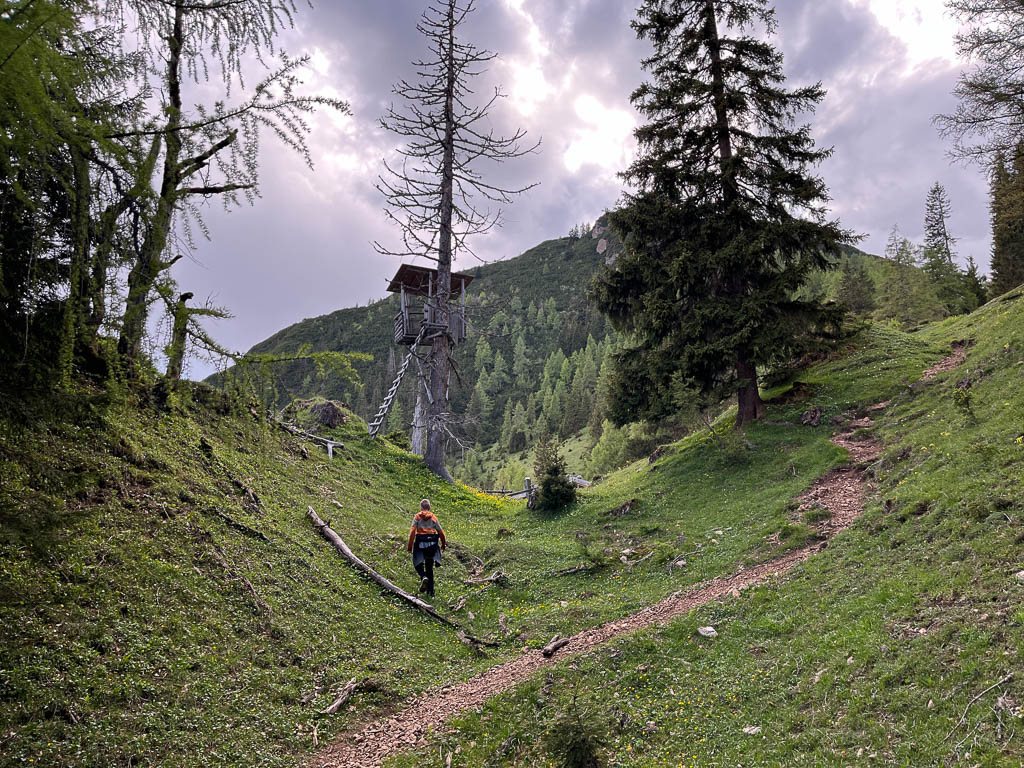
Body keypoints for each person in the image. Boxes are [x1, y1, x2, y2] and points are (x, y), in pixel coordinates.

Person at [407, 498, 446, 597]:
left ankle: (423, 576)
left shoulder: (417, 517)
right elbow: (441, 532)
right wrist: (443, 544)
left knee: (417, 562)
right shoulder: (434, 518)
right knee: (429, 567)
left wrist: (410, 547)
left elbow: (412, 533)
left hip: (420, 543)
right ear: (429, 507)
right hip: (432, 543)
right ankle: (431, 592)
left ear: (421, 507)